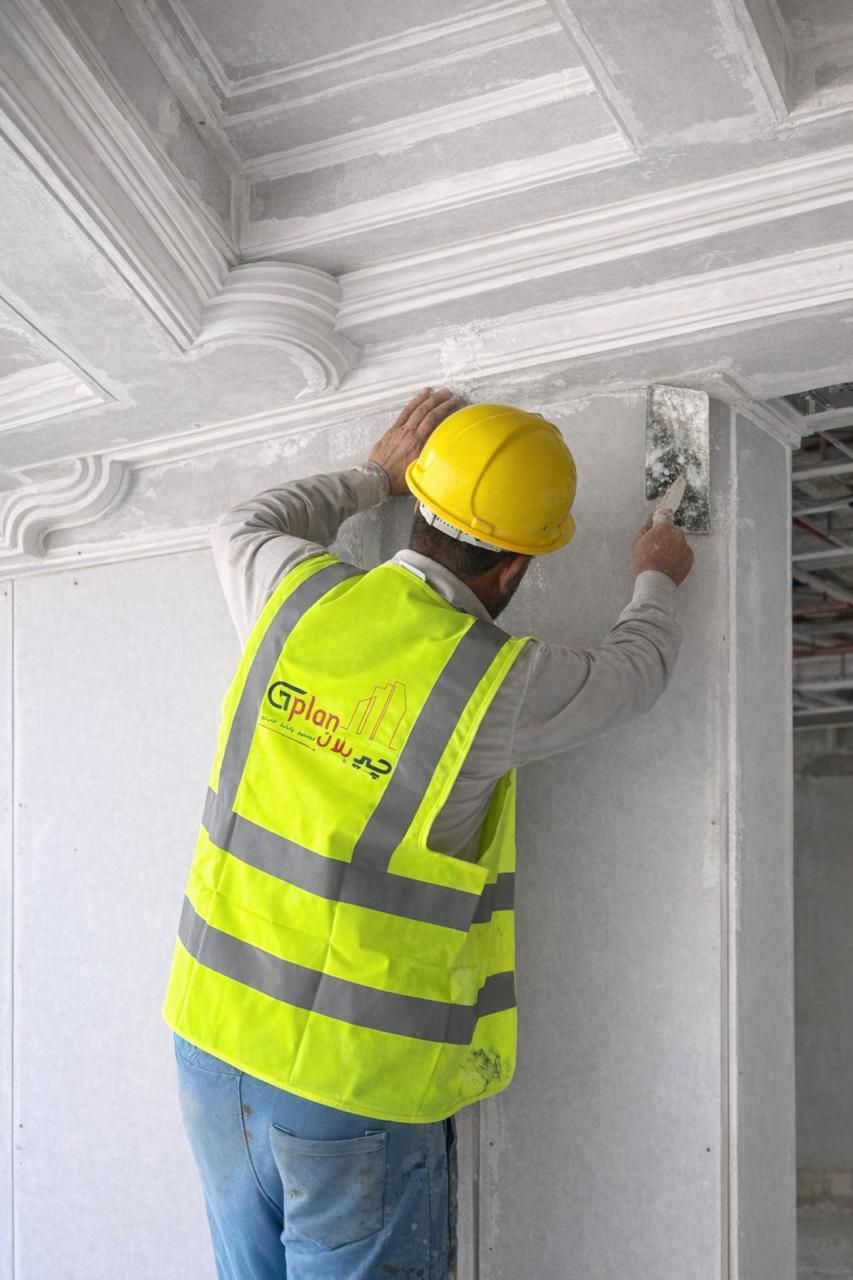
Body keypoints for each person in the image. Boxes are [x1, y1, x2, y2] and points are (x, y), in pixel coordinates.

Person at [163, 387, 694, 1280]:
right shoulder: (494, 684)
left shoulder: (293, 596)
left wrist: (371, 474)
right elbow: (635, 673)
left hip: (211, 1045)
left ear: (421, 505)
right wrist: (658, 574)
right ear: (515, 568)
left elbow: (243, 521)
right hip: (351, 1083)